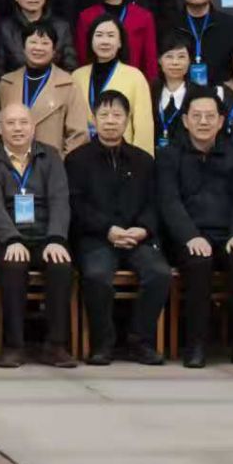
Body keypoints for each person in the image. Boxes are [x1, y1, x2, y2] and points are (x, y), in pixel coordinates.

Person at [157, 88, 233, 369]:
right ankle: (196, 345)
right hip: (188, 238)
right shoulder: (169, 155)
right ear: (185, 120)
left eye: (209, 116)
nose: (203, 122)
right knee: (199, 263)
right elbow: (169, 202)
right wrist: (190, 236)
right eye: (196, 116)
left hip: (227, 235)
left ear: (220, 121)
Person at [65, 90, 170, 365]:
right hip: (97, 238)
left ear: (127, 120)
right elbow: (76, 206)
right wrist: (107, 230)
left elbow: (155, 202)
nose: (110, 121)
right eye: (104, 115)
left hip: (137, 238)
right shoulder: (77, 160)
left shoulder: (144, 160)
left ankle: (140, 341)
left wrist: (143, 229)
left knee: (159, 273)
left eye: (117, 115)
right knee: (97, 275)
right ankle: (103, 344)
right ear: (94, 119)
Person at [0, 102, 75, 368]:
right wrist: (12, 238)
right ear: (0, 129)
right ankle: (14, 345)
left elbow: (60, 200)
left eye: (23, 123)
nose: (17, 128)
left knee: (61, 265)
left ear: (33, 127)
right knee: (13, 265)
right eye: (10, 123)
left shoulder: (50, 156)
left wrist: (56, 238)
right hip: (8, 236)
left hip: (45, 235)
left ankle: (56, 345)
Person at [66, 19, 155, 152]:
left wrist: (141, 160)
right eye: (99, 35)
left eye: (111, 35)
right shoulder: (77, 76)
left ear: (120, 42)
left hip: (123, 155)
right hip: (83, 154)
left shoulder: (135, 77)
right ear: (91, 40)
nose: (105, 41)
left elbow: (144, 126)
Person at [0, 24, 81, 154]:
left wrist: (60, 163)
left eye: (45, 43)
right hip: (11, 162)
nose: (38, 48)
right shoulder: (7, 83)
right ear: (23, 48)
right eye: (33, 42)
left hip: (52, 162)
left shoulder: (68, 84)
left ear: (54, 50)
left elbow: (78, 135)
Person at [76, 0, 158, 78]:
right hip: (96, 83)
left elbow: (150, 62)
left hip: (133, 83)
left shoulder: (143, 17)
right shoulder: (86, 17)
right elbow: (83, 58)